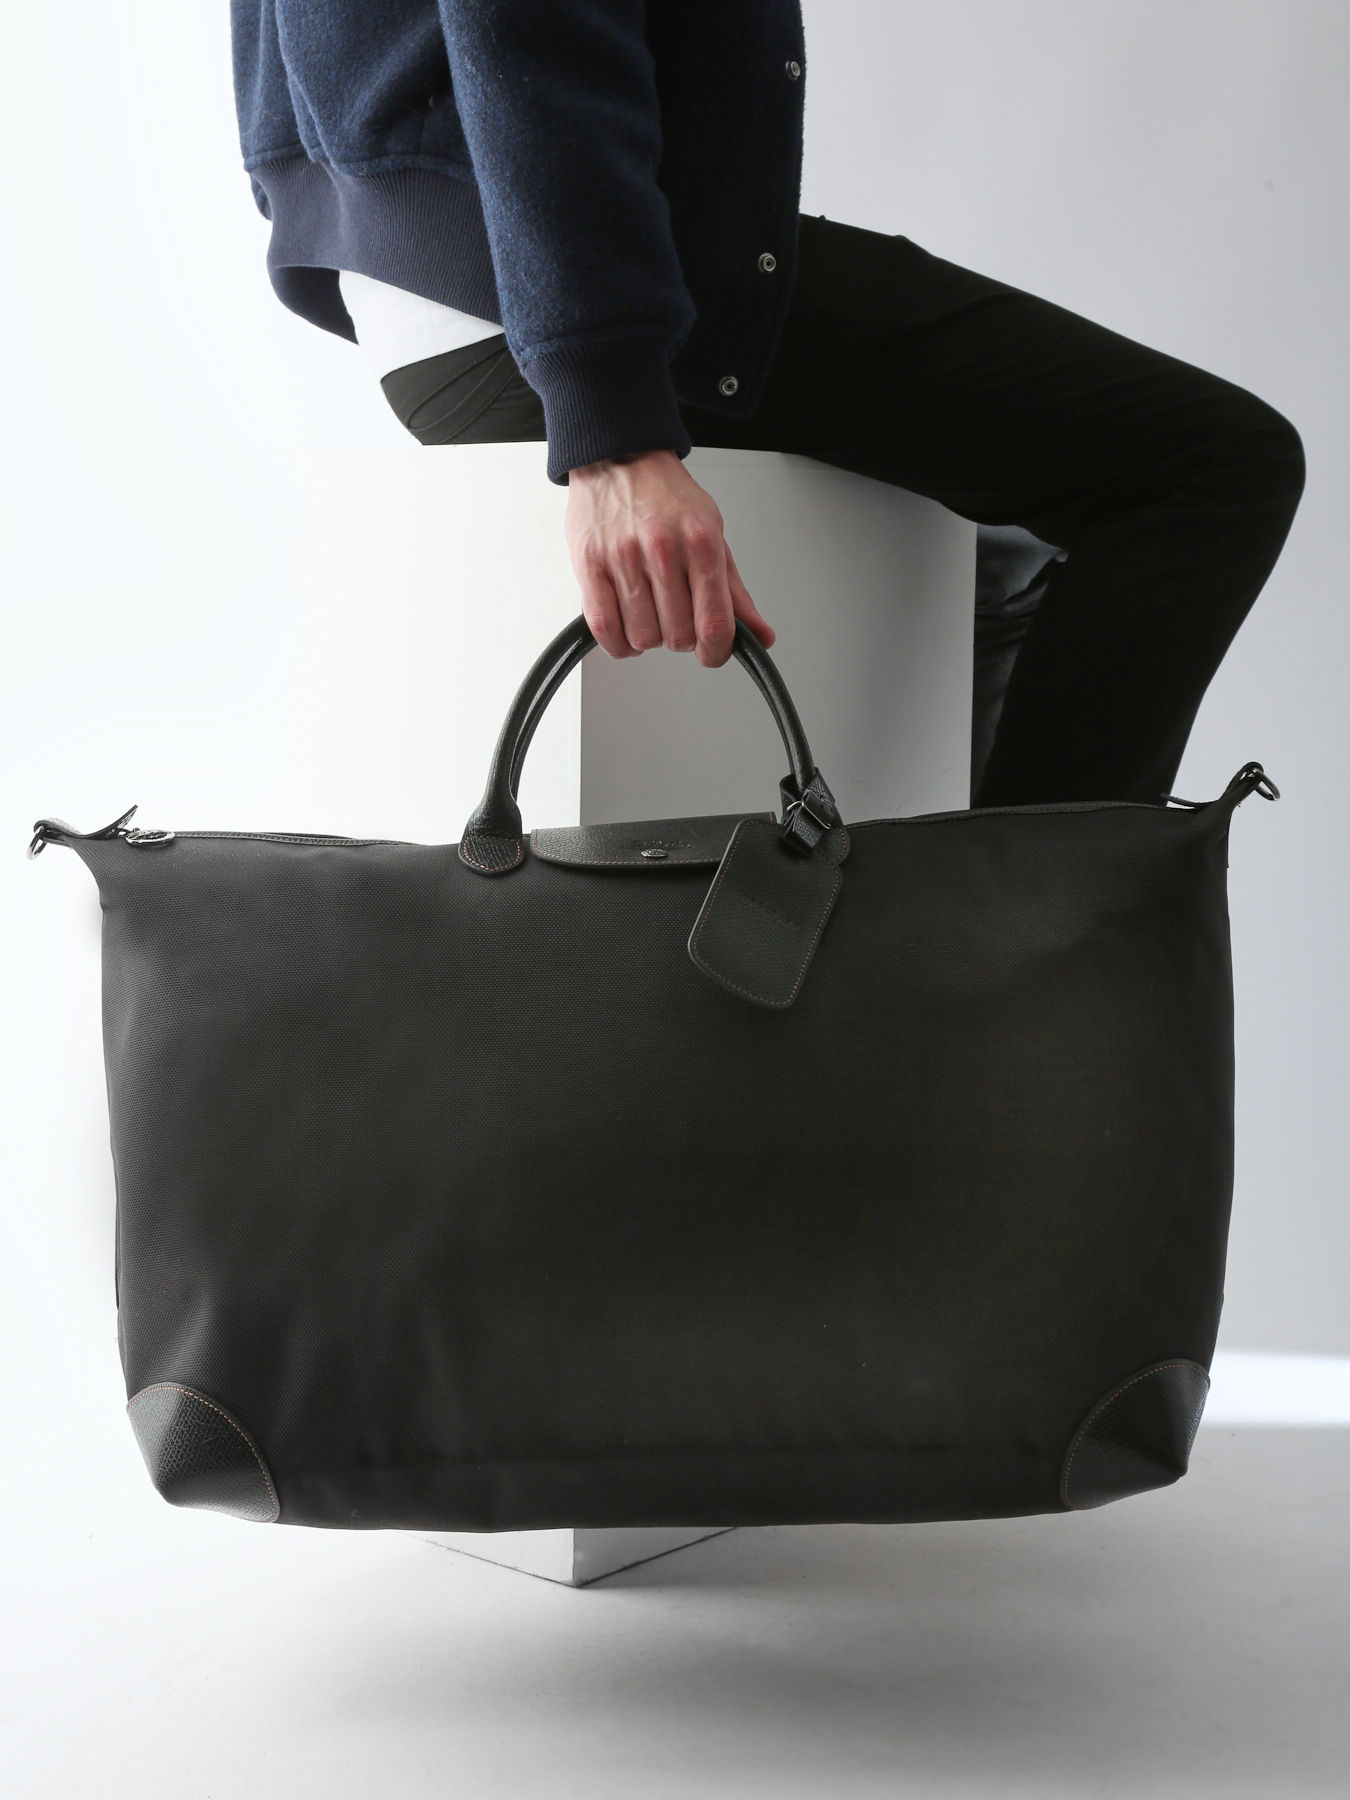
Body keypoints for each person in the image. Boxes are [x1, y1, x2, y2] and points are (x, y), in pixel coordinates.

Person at [229, 2, 1305, 809]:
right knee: (1211, 468)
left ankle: (924, 916)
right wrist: (611, 422)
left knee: (995, 551)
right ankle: (1018, 969)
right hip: (543, 277)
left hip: (422, 289)